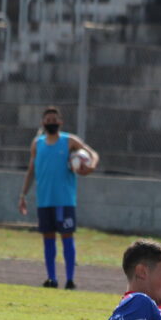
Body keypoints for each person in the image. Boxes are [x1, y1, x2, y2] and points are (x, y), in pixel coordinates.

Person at [19, 106, 100, 290]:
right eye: (48, 121)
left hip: (64, 201)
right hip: (45, 200)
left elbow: (93, 153)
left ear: (60, 122)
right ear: (43, 123)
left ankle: (70, 279)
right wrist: (23, 194)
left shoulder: (69, 141)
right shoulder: (37, 144)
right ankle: (52, 278)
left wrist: (91, 166)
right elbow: (31, 170)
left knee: (66, 238)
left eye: (54, 120)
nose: (51, 123)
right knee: (48, 238)